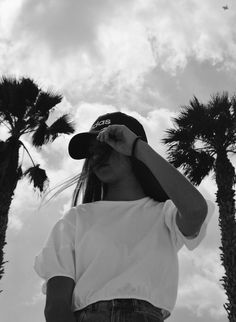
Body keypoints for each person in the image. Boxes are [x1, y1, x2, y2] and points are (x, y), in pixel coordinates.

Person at [34, 111, 215, 322]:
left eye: (107, 146)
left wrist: (138, 147)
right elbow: (56, 307)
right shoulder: (74, 220)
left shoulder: (164, 213)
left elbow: (196, 211)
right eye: (92, 152)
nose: (97, 157)